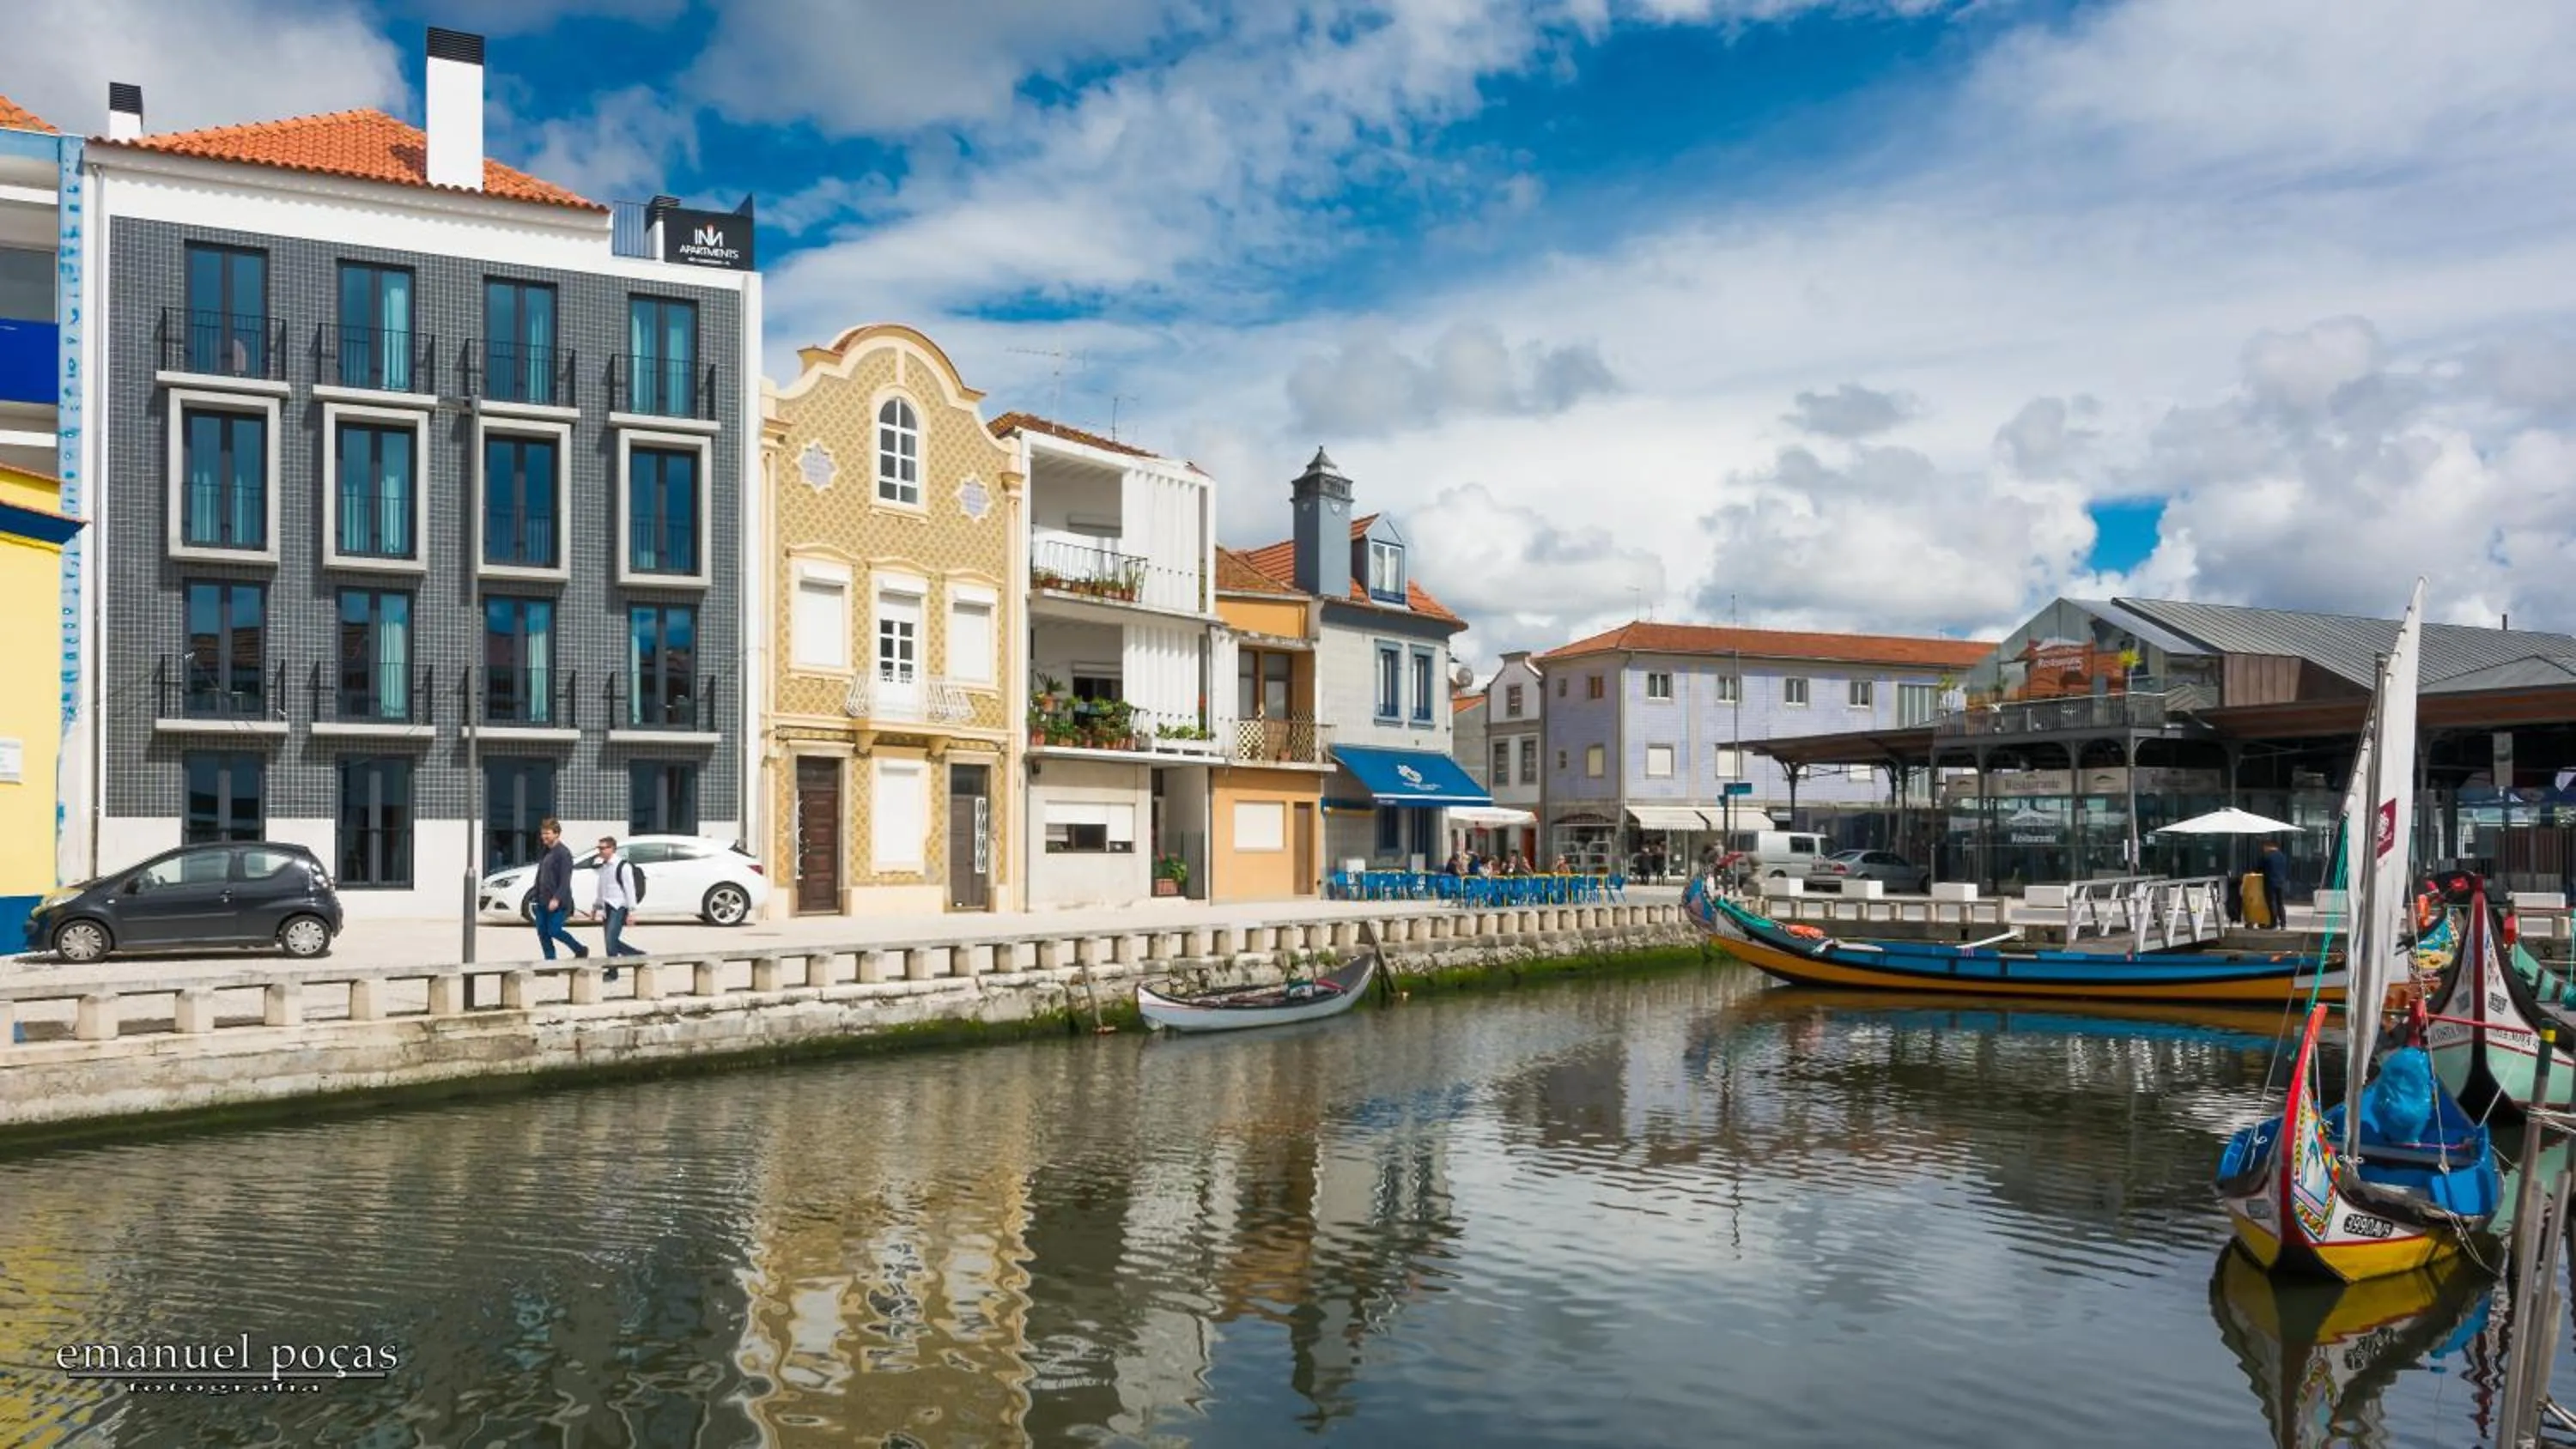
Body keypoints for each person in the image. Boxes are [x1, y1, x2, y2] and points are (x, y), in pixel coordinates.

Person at [531, 819, 588, 961]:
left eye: (547, 833)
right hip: (542, 900)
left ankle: (580, 949)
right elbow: (541, 874)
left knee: (554, 931)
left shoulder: (564, 853)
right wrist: (536, 893)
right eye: (542, 833)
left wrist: (556, 898)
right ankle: (550, 961)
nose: (544, 836)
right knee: (543, 933)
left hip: (558, 902)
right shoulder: (546, 851)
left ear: (557, 834)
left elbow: (565, 880)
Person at [591, 835, 647, 969]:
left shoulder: (623, 866)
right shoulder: (603, 866)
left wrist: (631, 912)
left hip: (619, 906)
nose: (600, 851)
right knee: (610, 941)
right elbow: (601, 888)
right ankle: (636, 955)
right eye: (599, 848)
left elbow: (630, 889)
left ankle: (613, 970)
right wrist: (596, 907)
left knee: (610, 939)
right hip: (607, 907)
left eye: (603, 848)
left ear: (612, 849)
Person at [2259, 840, 2293, 931]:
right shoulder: (2283, 856)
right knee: (2280, 903)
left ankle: (2273, 923)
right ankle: (2283, 924)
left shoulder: (2267, 857)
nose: (2263, 849)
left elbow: (2259, 868)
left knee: (2272, 903)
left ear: (2268, 846)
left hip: (2270, 882)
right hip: (2281, 882)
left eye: (2264, 847)